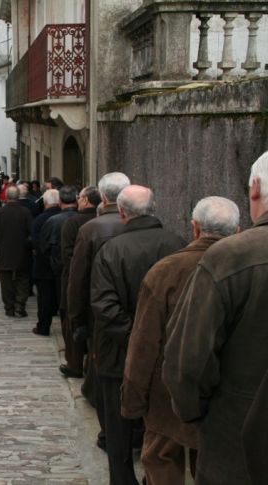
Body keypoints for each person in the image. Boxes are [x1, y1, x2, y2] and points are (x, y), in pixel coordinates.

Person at [163, 151, 268, 484]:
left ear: (254, 189)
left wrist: (196, 415)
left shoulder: (232, 256)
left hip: (237, 441)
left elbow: (188, 362)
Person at [121, 196, 239, 485]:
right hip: (224, 396)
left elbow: (144, 344)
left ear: (195, 228)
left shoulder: (166, 270)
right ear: (237, 231)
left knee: (161, 463)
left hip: (167, 395)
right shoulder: (244, 269)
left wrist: (133, 401)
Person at [90, 185, 184, 485]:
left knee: (117, 425)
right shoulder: (179, 244)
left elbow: (104, 305)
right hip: (168, 353)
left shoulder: (112, 250)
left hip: (119, 352)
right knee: (163, 423)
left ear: (121, 211)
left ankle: (122, 479)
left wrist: (136, 338)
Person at [67, 172, 130, 449]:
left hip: (102, 315)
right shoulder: (160, 234)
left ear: (102, 197)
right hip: (140, 317)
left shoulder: (92, 229)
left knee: (106, 375)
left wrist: (76, 319)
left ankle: (112, 433)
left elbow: (78, 278)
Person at [58, 186, 99, 378]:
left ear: (85, 201)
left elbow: (67, 255)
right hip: (101, 281)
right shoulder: (99, 221)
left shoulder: (74, 223)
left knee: (73, 321)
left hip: (76, 279)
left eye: (80, 197)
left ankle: (74, 364)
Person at [0, 186, 34, 318]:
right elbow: (32, 232)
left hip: (5, 252)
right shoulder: (25, 212)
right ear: (18, 196)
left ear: (6, 197)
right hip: (23, 251)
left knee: (6, 280)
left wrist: (0, 245)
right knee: (23, 279)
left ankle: (9, 307)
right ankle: (20, 306)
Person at [39, 186, 79, 335]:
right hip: (81, 269)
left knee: (64, 304)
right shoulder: (84, 219)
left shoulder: (53, 221)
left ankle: (67, 335)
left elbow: (44, 246)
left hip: (59, 269)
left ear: (60, 201)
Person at [31, 189, 61, 336]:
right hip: (62, 266)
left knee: (44, 300)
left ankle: (43, 327)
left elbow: (35, 242)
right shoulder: (66, 217)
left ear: (45, 202)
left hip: (44, 265)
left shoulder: (40, 219)